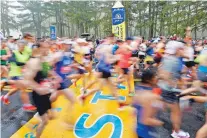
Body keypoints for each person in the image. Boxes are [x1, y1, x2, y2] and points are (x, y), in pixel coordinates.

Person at [158, 41, 190, 138]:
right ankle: (176, 132)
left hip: (163, 88)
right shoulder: (173, 60)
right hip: (168, 90)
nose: (183, 50)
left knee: (172, 110)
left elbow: (160, 69)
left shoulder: (169, 58)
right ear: (177, 49)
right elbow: (163, 74)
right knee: (177, 112)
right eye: (181, 48)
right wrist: (172, 84)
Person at [1, 40, 36, 111]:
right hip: (15, 73)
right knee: (23, 87)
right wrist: (26, 63)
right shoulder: (14, 53)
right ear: (17, 46)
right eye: (20, 46)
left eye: (23, 46)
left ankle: (5, 96)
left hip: (22, 73)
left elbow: (31, 58)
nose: (22, 47)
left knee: (18, 88)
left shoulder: (26, 53)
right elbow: (16, 63)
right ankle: (26, 105)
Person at [133, 69, 164, 138]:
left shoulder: (138, 90)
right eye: (155, 76)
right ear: (149, 80)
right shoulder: (151, 96)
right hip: (147, 132)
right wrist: (161, 123)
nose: (157, 78)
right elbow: (146, 120)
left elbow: (134, 108)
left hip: (137, 128)